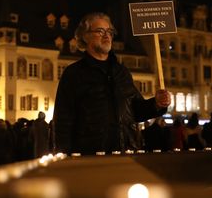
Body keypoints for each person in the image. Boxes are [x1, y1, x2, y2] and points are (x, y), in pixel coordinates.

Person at [53, 12, 171, 155]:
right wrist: (63, 156)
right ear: (85, 36)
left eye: (109, 31)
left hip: (126, 153)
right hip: (90, 156)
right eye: (100, 31)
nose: (106, 35)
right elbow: (63, 122)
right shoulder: (74, 74)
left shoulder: (122, 72)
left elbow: (135, 111)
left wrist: (156, 104)